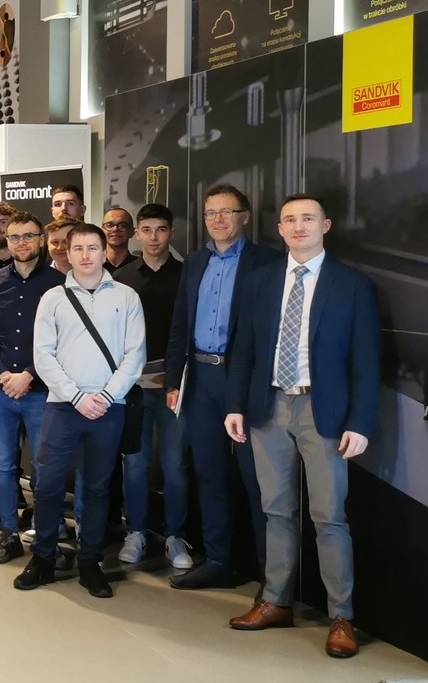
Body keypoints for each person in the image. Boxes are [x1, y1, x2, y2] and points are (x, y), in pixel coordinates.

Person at [224, 195, 379, 659]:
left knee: (329, 517)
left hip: (323, 412)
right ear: (279, 228)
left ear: (325, 225)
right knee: (276, 511)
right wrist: (235, 406)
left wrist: (360, 421)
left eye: (308, 218)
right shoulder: (260, 281)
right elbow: (244, 349)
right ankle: (276, 601)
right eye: (289, 219)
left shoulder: (352, 284)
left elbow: (367, 361)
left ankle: (342, 617)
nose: (298, 226)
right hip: (268, 408)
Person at [14, 223, 146, 598]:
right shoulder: (53, 299)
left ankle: (91, 562)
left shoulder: (127, 297)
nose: (86, 255)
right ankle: (43, 558)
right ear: (67, 254)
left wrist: (105, 395)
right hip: (62, 406)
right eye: (78, 248)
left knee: (98, 488)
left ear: (104, 252)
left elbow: (135, 354)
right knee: (48, 485)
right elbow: (43, 355)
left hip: (109, 407)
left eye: (92, 248)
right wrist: (76, 397)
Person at [165, 184, 281, 591]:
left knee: (256, 478)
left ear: (244, 216)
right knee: (210, 473)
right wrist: (174, 379)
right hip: (200, 378)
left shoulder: (268, 261)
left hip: (244, 380)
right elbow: (180, 323)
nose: (217, 220)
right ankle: (218, 561)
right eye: (210, 213)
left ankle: (271, 578)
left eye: (226, 212)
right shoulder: (195, 262)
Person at [0, 212, 65, 563]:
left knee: (44, 468)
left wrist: (28, 374)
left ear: (41, 240)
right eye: (15, 237)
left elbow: (61, 339)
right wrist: (4, 375)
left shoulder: (58, 284)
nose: (21, 243)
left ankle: (46, 536)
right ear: (7, 242)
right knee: (4, 465)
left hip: (41, 392)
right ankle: (9, 533)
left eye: (28, 236)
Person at [114, 203, 193, 569]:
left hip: (174, 385)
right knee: (134, 462)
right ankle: (136, 531)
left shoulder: (187, 275)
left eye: (161, 229)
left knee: (175, 464)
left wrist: (175, 377)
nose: (154, 237)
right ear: (137, 234)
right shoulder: (122, 278)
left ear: (171, 233)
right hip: (132, 385)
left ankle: (175, 536)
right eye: (146, 230)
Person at [101, 206, 134, 271]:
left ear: (132, 232)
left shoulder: (140, 267)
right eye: (109, 225)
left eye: (122, 225)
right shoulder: (92, 265)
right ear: (102, 231)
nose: (115, 229)